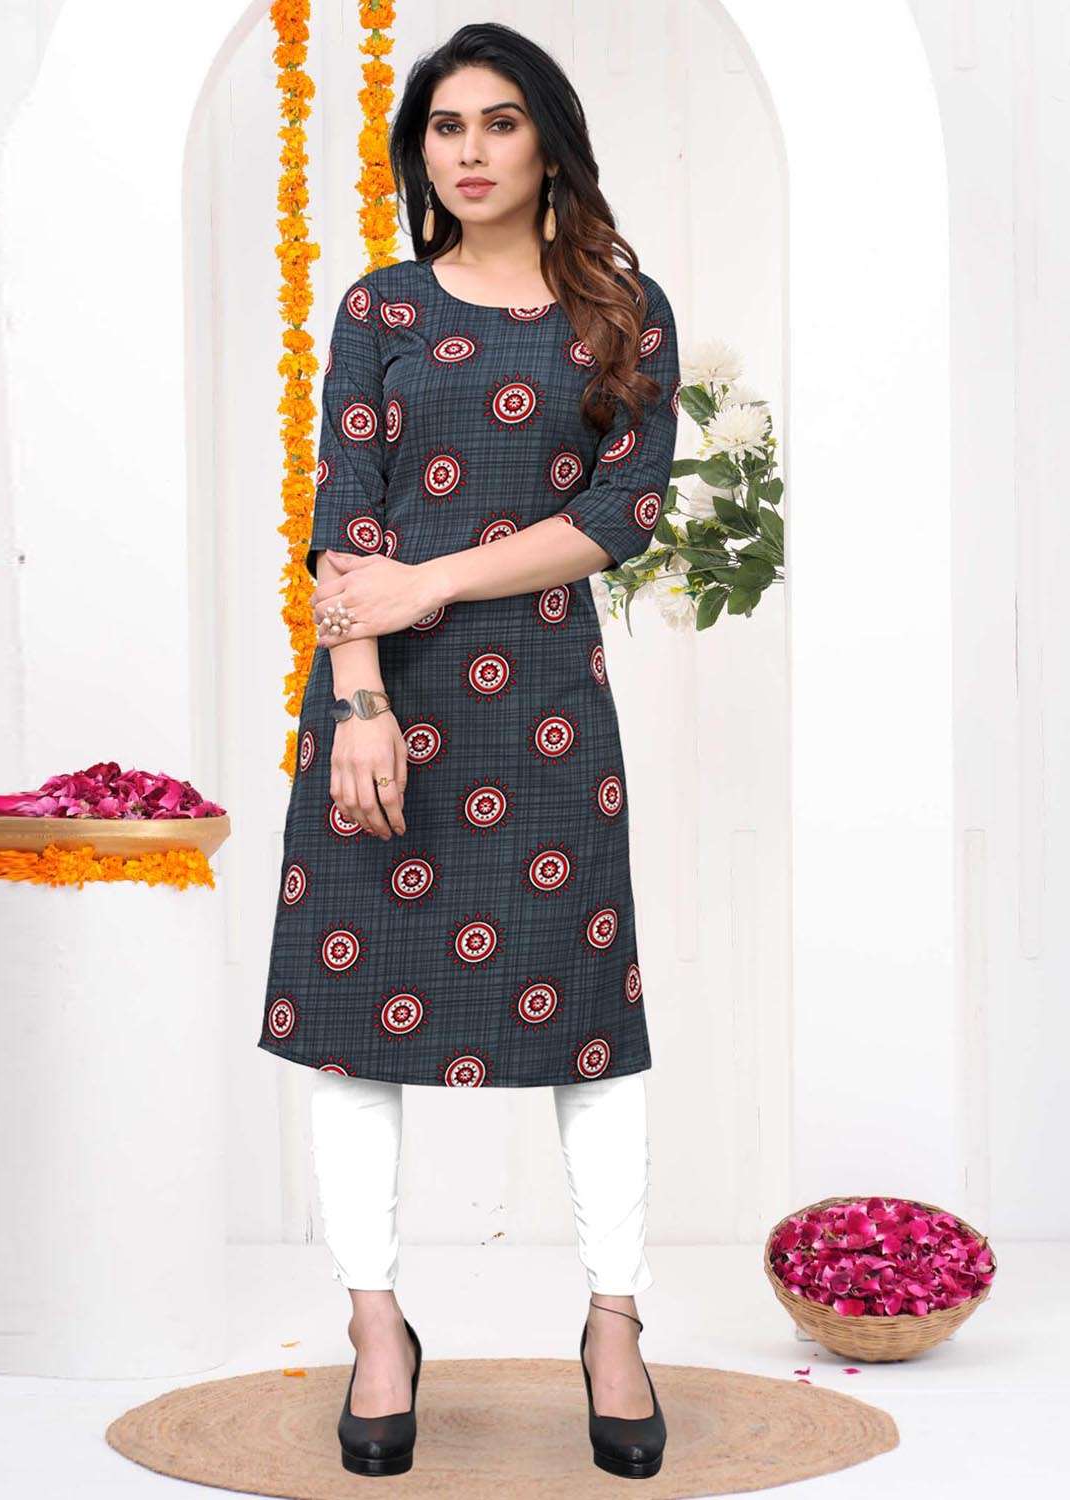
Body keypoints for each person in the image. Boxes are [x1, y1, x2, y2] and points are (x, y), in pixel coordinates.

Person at [259, 20, 680, 1480]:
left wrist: (430, 582)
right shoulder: (379, 307)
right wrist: (359, 701)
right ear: (419, 152)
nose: (473, 150)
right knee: (347, 1021)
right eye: (447, 126)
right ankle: (377, 1324)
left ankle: (613, 1321)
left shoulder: (620, 308)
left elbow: (622, 512)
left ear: (547, 142)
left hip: (545, 699)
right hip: (382, 701)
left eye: (501, 122)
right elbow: (346, 511)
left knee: (590, 1028)